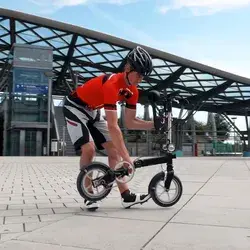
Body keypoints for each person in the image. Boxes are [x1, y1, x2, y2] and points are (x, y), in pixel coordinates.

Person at [63, 46, 155, 210]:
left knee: (114, 151)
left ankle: (126, 196)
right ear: (127, 68)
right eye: (139, 73)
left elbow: (130, 122)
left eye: (144, 75)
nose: (141, 78)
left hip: (93, 111)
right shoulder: (112, 84)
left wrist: (155, 124)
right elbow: (113, 126)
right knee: (89, 149)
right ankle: (89, 193)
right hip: (74, 107)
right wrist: (127, 158)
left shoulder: (133, 91)